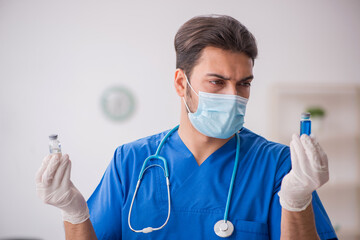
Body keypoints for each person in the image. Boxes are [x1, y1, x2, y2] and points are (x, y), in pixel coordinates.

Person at [35, 15, 338, 240]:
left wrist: (297, 201)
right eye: (217, 82)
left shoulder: (278, 165)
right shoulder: (131, 162)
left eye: (243, 84)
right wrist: (74, 213)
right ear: (182, 83)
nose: (233, 97)